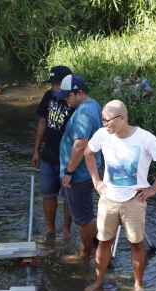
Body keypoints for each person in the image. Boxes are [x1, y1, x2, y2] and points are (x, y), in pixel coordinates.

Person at [84, 100, 156, 291]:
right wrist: (96, 181)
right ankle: (98, 282)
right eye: (102, 120)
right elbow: (88, 153)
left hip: (134, 201)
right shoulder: (102, 135)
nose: (104, 124)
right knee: (104, 242)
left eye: (107, 121)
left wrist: (153, 189)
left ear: (122, 118)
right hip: (108, 199)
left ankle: (137, 286)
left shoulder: (145, 139)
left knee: (136, 244)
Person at [57, 74, 102, 259]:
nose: (65, 99)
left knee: (84, 217)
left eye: (68, 96)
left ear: (80, 93)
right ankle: (94, 245)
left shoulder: (83, 113)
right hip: (87, 169)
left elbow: (80, 145)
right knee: (83, 212)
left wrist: (69, 172)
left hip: (79, 174)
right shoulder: (93, 105)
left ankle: (85, 253)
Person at [31, 65, 74, 235]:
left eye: (58, 84)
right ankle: (50, 229)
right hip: (48, 156)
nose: (55, 87)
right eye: (53, 84)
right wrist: (36, 150)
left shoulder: (74, 101)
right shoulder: (49, 97)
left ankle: (66, 230)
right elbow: (42, 122)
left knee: (68, 197)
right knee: (47, 193)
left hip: (67, 160)